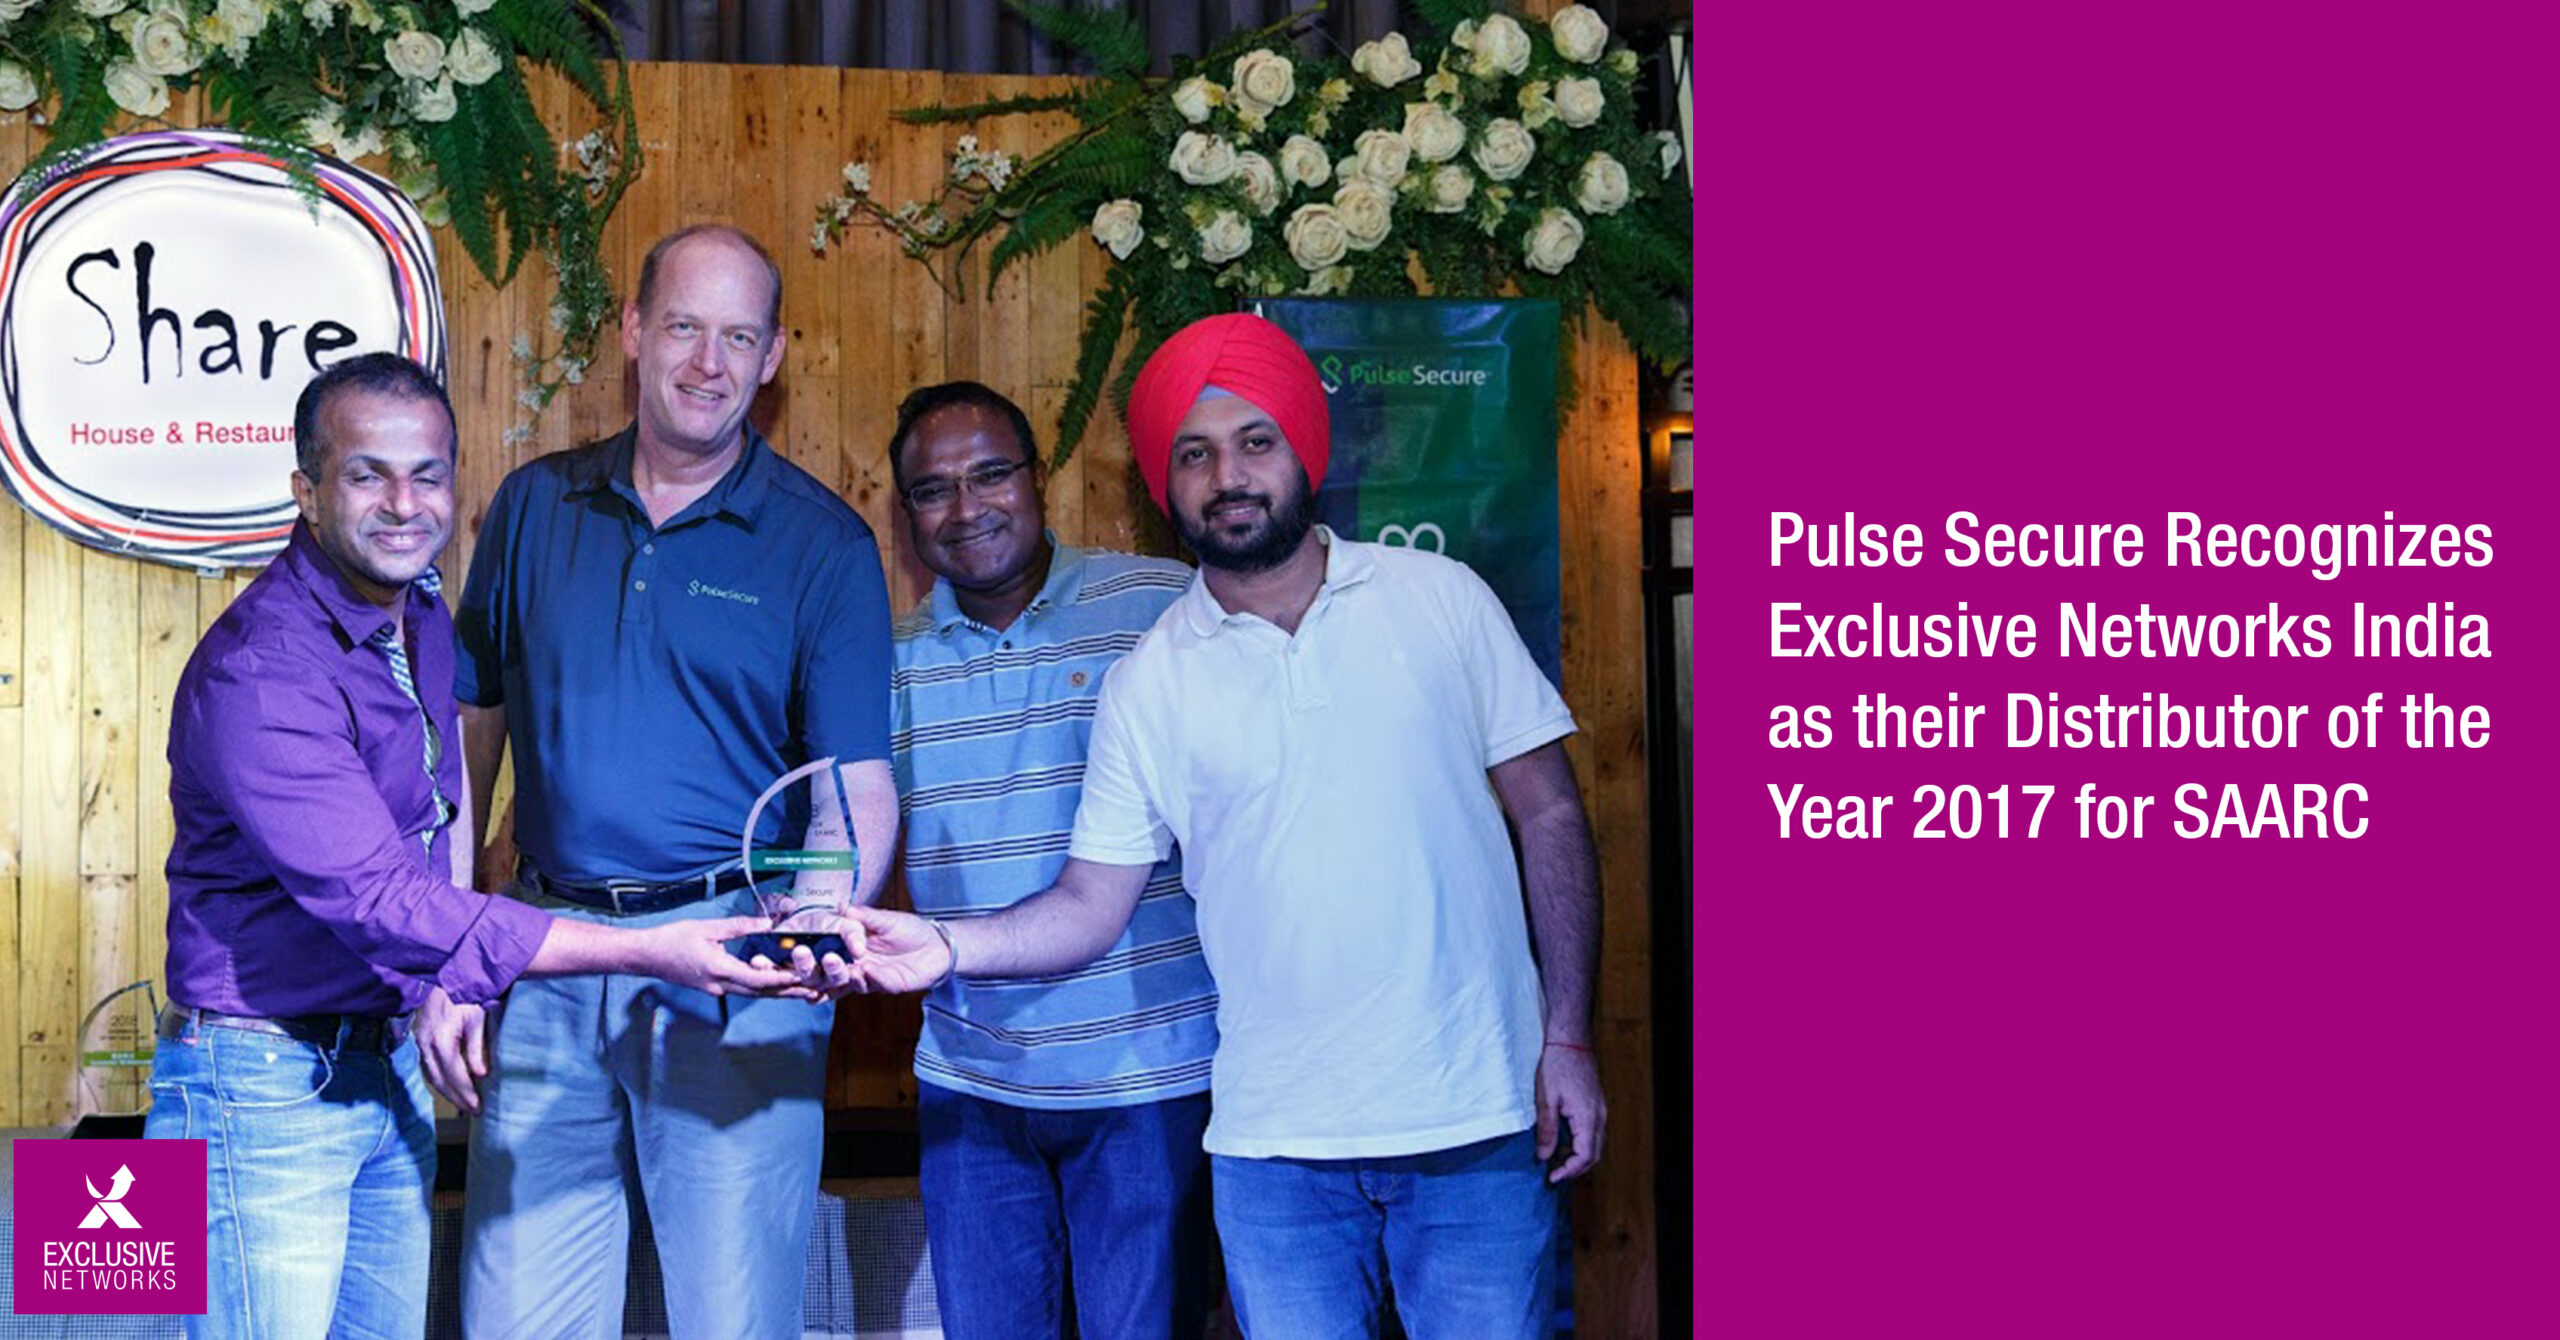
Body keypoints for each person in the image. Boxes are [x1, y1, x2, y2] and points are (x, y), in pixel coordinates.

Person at [853, 314, 1608, 1339]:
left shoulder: (1440, 599)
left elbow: (1552, 810)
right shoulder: (1149, 677)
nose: (1228, 476)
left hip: (1473, 1117)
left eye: (1255, 441)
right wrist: (943, 945)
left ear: (1305, 449)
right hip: (1267, 1145)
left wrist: (1568, 1036)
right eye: (1195, 454)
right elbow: (1090, 900)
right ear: (1167, 483)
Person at [146, 352, 797, 1340]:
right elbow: (384, 903)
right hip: (259, 1088)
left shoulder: (418, 614)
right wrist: (653, 947)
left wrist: (445, 984)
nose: (404, 504)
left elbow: (441, 796)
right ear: (307, 491)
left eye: (429, 474)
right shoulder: (262, 670)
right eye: (367, 475)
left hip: (386, 1063)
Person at [444, 224, 899, 1338]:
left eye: (738, 336)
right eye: (685, 326)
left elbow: (852, 787)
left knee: (732, 1321)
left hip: (734, 965)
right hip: (548, 952)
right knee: (516, 1322)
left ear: (773, 355)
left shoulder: (823, 543)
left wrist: (819, 919)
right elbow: (468, 736)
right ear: (635, 331)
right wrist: (451, 942)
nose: (708, 362)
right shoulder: (533, 506)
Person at [886, 381, 1218, 1339]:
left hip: (1147, 1078)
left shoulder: (1160, 604)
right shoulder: (887, 658)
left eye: (991, 474)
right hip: (970, 1083)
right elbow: (845, 832)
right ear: (906, 513)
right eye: (933, 490)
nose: (967, 507)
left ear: (1038, 478)